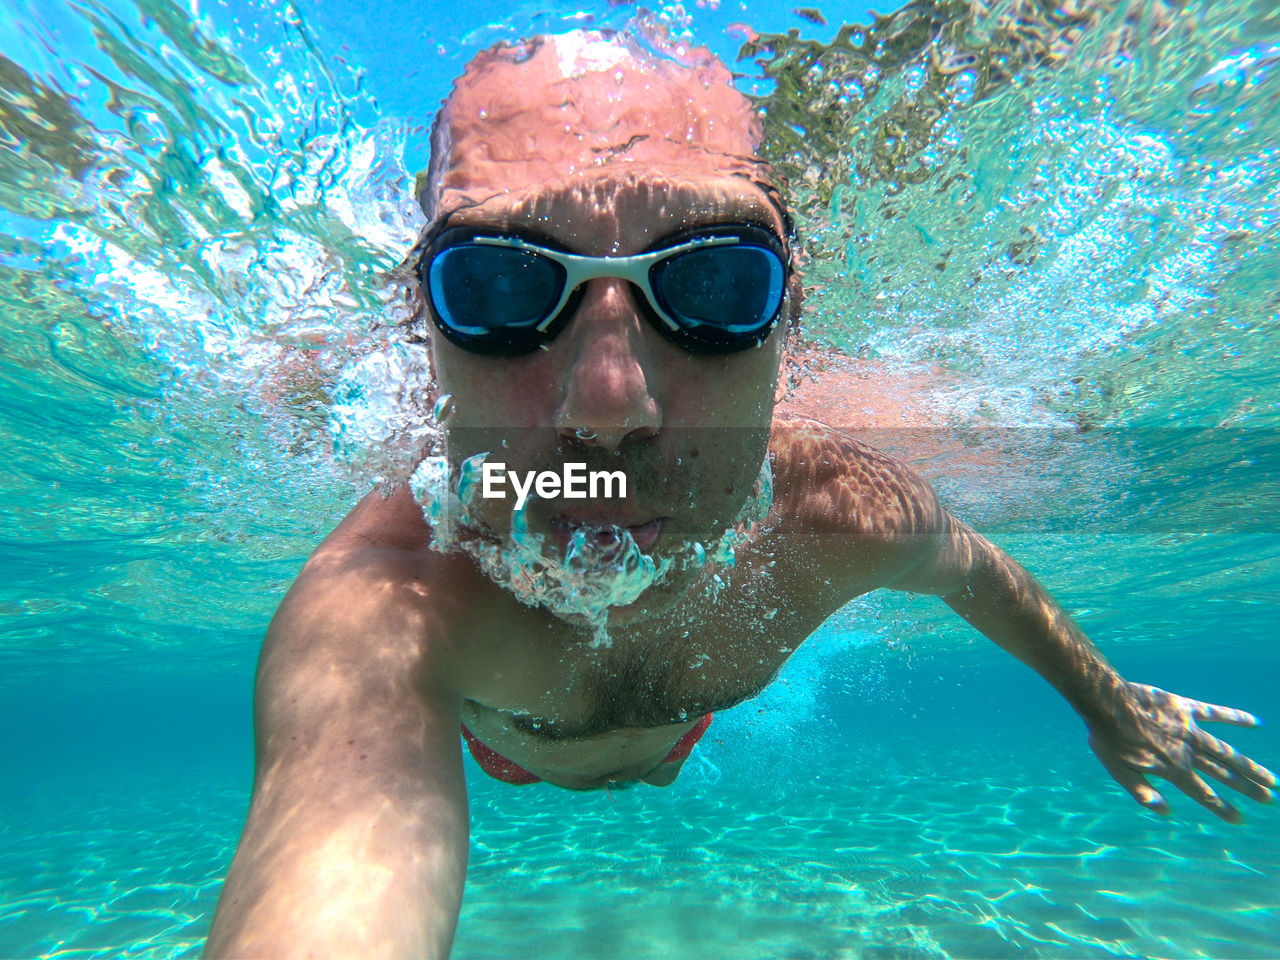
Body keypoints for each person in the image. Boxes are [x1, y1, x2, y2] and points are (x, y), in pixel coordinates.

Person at [204, 31, 1274, 959]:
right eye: (498, 285)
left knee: (661, 762)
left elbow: (981, 578)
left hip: (676, 733)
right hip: (507, 751)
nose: (609, 408)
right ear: (424, 335)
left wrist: (1109, 700)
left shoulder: (842, 516)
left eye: (714, 282)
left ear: (788, 323)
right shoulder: (382, 614)